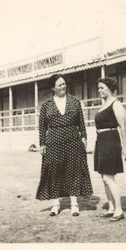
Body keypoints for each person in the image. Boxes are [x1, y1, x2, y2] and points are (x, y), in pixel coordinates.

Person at [33, 74, 94, 217]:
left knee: (73, 170)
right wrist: (42, 143)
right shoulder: (46, 105)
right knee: (54, 172)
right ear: (53, 88)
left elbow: (81, 122)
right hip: (53, 142)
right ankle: (55, 204)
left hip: (73, 140)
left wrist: (84, 137)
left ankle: (74, 204)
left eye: (64, 84)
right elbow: (42, 127)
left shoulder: (74, 101)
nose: (62, 87)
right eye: (59, 85)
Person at [93, 77, 126, 221]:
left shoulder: (116, 104)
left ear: (110, 88)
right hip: (101, 141)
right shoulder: (104, 104)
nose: (99, 90)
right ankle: (111, 207)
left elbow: (123, 127)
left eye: (102, 87)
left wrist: (125, 148)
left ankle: (119, 210)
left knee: (109, 178)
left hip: (110, 141)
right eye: (99, 88)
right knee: (104, 177)